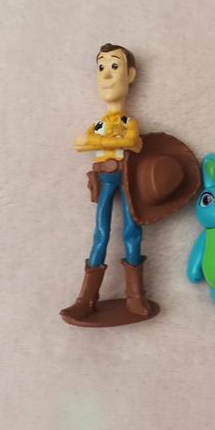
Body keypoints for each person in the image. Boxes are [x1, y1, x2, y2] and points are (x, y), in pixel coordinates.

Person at [61, 43, 150, 320]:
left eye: (114, 66)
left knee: (131, 231)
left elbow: (131, 140)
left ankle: (136, 297)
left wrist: (98, 142)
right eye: (101, 67)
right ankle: (86, 299)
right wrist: (107, 141)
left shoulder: (127, 121)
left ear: (130, 75)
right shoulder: (101, 124)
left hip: (126, 177)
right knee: (101, 233)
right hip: (104, 178)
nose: (107, 75)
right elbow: (80, 143)